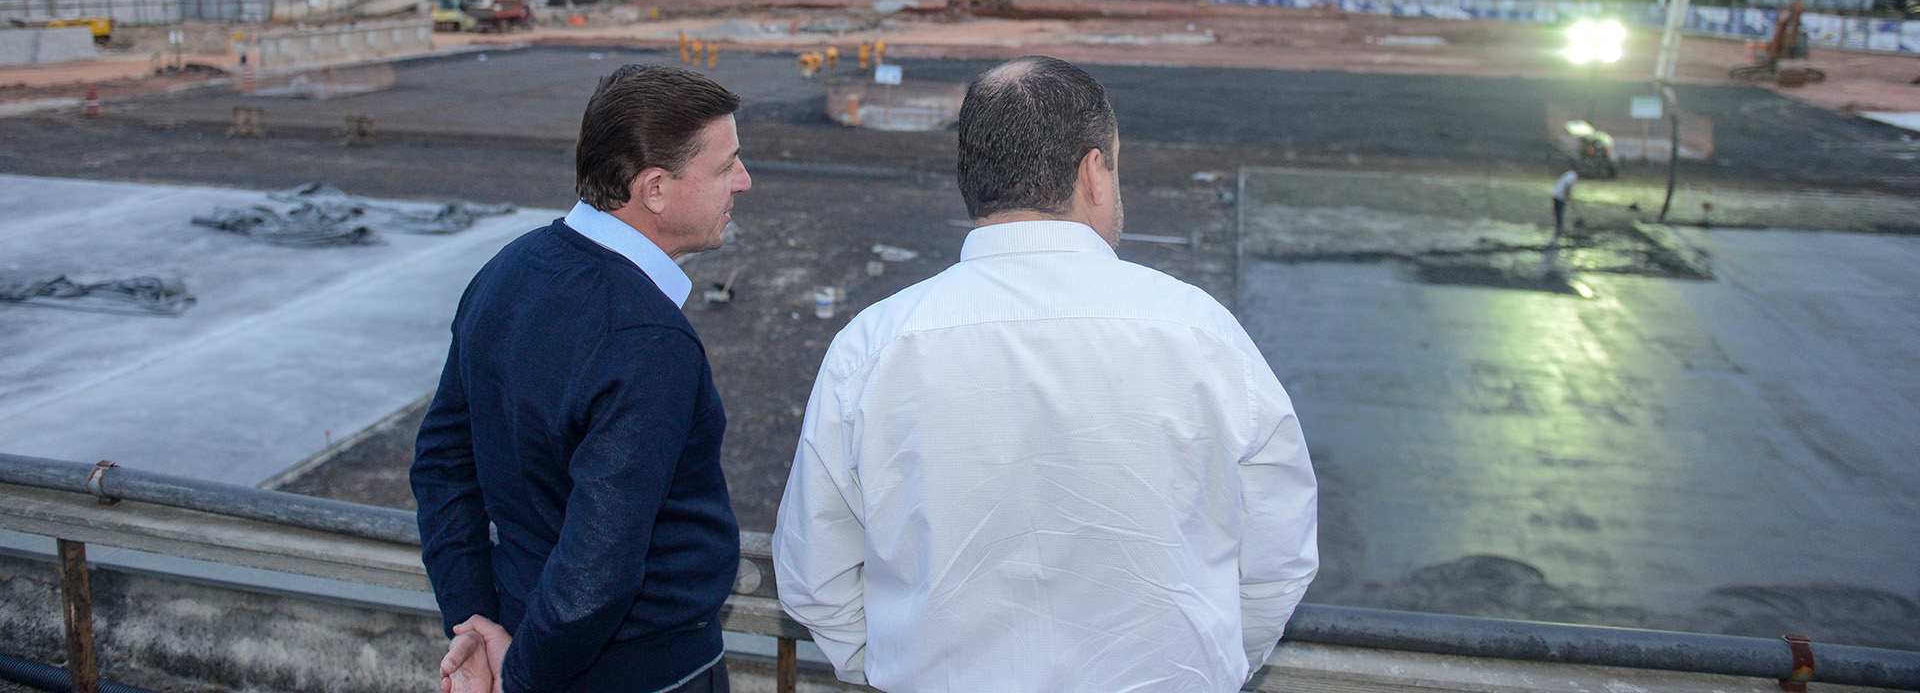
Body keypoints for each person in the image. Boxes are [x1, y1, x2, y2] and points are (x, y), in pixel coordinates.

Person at [772, 55, 1319, 693]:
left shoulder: (871, 347)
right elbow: (1279, 558)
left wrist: (892, 666)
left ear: (972, 179)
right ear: (1094, 172)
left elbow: (815, 574)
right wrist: (1212, 664)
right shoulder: (1202, 334)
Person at [412, 64, 751, 693]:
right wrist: (520, 678)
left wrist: (474, 618)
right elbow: (598, 567)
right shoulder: (648, 342)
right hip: (648, 672)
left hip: (531, 639)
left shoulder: (506, 270)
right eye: (725, 164)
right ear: (655, 188)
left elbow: (440, 463)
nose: (743, 180)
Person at [1553, 167, 1579, 235]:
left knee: (1557, 213)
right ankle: (1559, 228)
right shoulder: (1573, 176)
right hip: (1561, 196)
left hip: (1555, 194)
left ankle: (1558, 228)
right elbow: (1567, 186)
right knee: (1560, 212)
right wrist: (1568, 196)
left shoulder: (1568, 174)